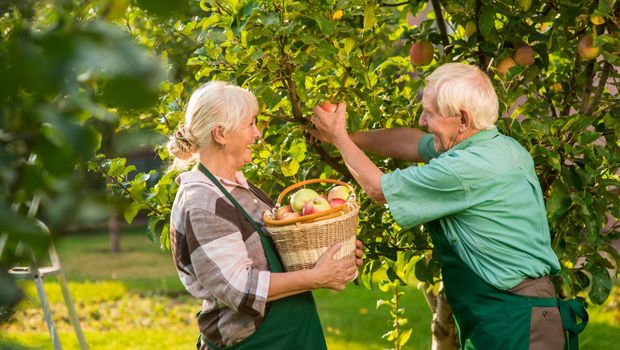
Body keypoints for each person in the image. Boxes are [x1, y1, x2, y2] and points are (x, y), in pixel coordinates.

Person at [310, 63, 585, 349]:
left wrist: (340, 138)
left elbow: (377, 189)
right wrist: (345, 138)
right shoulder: (494, 146)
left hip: (515, 319)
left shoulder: (466, 169)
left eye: (430, 113)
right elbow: (412, 142)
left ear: (462, 119)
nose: (422, 120)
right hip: (503, 313)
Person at [167, 81, 362, 350]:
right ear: (220, 134)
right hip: (256, 341)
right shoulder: (203, 203)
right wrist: (317, 277)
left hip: (292, 332)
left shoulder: (235, 187)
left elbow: (273, 254)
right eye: (250, 124)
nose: (257, 134)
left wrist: (332, 252)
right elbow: (240, 288)